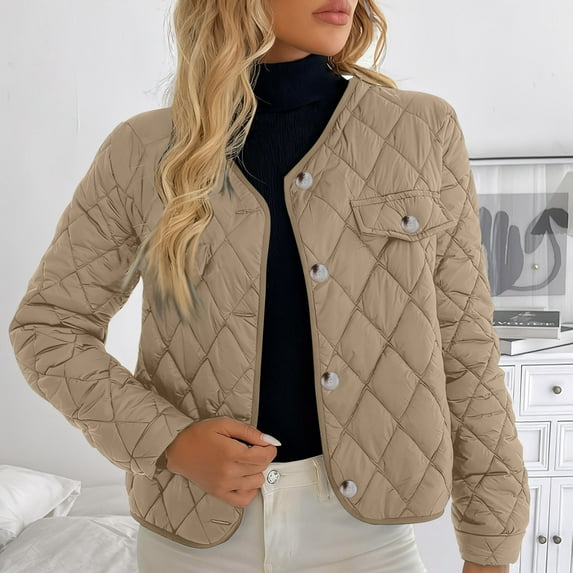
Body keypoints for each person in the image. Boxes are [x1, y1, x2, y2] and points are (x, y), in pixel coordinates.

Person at [9, 0, 530, 571]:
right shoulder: (143, 149)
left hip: (366, 542)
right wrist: (169, 441)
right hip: (192, 532)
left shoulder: (421, 130)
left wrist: (492, 546)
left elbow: (466, 347)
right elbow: (48, 329)